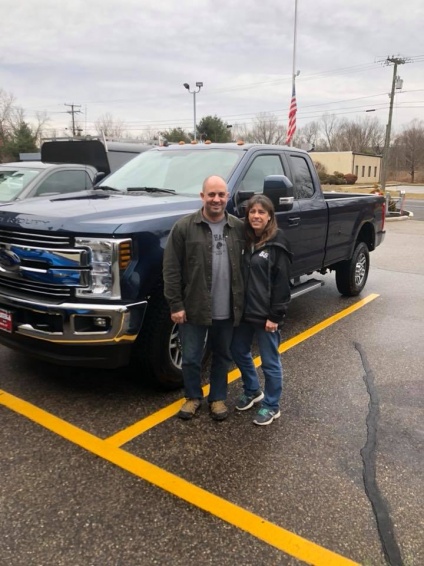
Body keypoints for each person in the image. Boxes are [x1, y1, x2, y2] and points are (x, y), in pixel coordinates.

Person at [163, 175, 244, 421]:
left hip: (228, 307)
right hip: (194, 306)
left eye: (221, 194)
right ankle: (192, 397)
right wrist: (175, 304)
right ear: (202, 197)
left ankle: (218, 398)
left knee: (223, 356)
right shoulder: (184, 227)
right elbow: (171, 268)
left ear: (228, 197)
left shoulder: (239, 228)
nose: (216, 199)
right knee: (190, 356)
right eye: (211, 194)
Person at [231, 194, 292, 426]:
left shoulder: (278, 242)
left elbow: (283, 282)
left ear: (269, 217)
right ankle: (253, 390)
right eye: (252, 212)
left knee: (269, 361)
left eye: (261, 212)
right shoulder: (245, 241)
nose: (256, 216)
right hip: (245, 312)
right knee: (238, 350)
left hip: (267, 315)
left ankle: (271, 405)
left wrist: (275, 316)